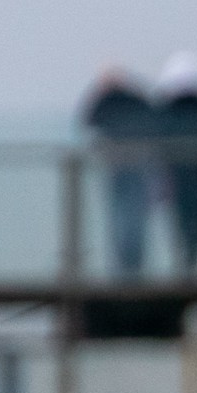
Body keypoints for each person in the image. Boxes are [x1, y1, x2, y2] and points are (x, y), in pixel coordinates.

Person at [78, 68, 155, 278]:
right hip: (137, 165)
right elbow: (153, 120)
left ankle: (121, 265)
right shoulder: (136, 99)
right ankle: (135, 264)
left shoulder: (105, 101)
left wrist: (98, 93)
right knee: (135, 217)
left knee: (118, 215)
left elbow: (87, 120)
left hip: (115, 166)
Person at [154, 53, 197, 274]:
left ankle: (187, 261)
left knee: (182, 219)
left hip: (178, 174)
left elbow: (160, 144)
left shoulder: (166, 114)